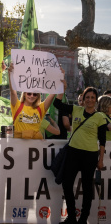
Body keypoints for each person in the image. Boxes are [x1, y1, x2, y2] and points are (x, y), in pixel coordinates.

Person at [54, 85, 106, 224]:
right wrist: (62, 87)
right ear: (82, 98)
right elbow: (56, 103)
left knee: (87, 187)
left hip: (90, 156)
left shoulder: (100, 117)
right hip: (73, 152)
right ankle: (71, 217)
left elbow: (102, 141)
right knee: (67, 183)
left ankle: (83, 219)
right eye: (87, 97)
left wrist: (100, 160)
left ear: (96, 100)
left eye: (92, 97)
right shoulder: (76, 109)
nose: (89, 100)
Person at [8, 62, 58, 139]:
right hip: (18, 146)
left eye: (35, 94)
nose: (32, 96)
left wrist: (58, 76)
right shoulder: (17, 105)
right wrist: (10, 74)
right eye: (29, 93)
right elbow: (13, 92)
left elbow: (53, 94)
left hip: (35, 147)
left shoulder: (40, 108)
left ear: (38, 96)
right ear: (24, 94)